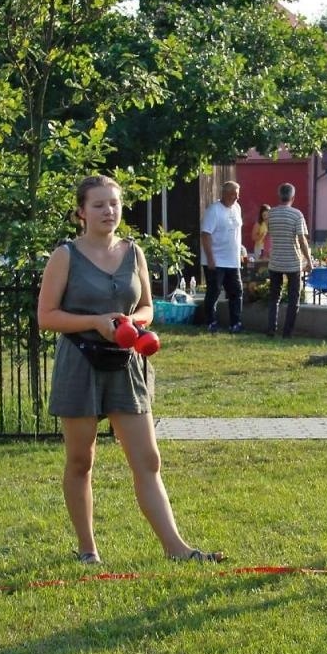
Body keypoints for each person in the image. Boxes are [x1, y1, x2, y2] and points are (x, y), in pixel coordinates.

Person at [36, 174, 222, 562]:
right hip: (80, 363)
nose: (109, 211)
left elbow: (148, 308)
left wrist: (131, 322)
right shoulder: (65, 255)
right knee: (81, 460)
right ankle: (87, 550)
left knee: (148, 460)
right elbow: (47, 316)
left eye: (114, 204)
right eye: (99, 205)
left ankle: (177, 548)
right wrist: (96, 322)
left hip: (126, 362)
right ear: (81, 212)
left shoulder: (133, 252)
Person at [263, 182, 313, 337]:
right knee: (293, 299)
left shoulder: (270, 214)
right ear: (293, 197)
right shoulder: (297, 215)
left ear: (279, 196)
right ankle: (287, 332)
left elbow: (271, 234)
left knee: (274, 297)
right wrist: (309, 260)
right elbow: (302, 240)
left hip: (275, 261)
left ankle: (271, 329)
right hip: (293, 262)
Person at [200, 180, 245, 332]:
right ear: (224, 194)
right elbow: (205, 235)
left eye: (237, 194)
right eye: (233, 194)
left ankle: (235, 323)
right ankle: (211, 322)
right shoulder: (214, 210)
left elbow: (236, 233)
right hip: (216, 260)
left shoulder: (237, 208)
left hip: (232, 260)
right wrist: (210, 258)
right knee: (214, 292)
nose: (236, 197)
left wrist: (240, 252)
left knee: (236, 291)